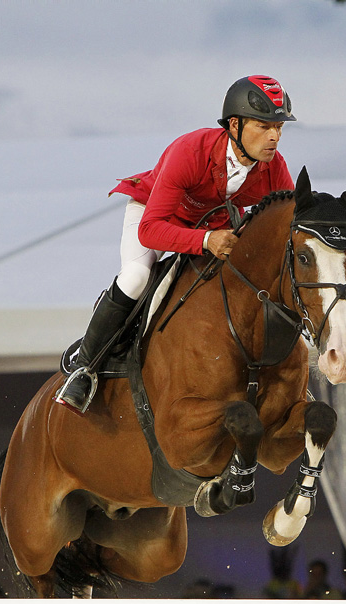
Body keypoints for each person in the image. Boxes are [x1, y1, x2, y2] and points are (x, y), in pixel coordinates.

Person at [56, 75, 296, 413]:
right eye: (263, 126)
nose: (274, 136)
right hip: (155, 214)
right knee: (137, 276)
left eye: (279, 127)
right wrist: (206, 240)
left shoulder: (275, 169)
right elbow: (151, 231)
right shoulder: (190, 151)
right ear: (234, 125)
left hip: (216, 224)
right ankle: (85, 367)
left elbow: (286, 229)